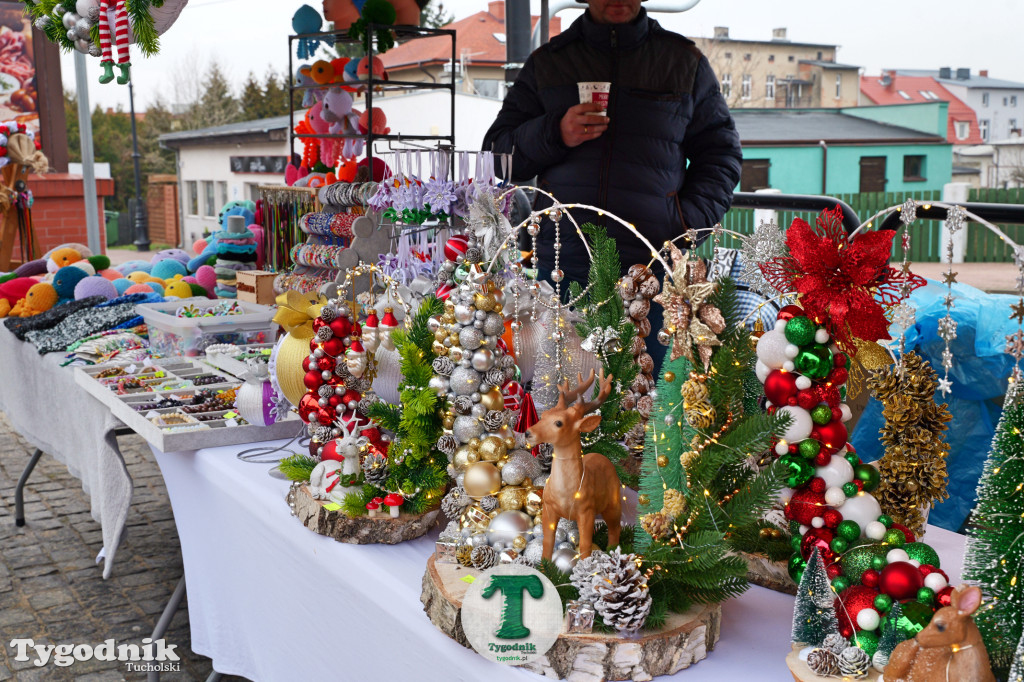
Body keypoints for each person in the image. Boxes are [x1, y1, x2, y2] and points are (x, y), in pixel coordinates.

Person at [483, 0, 742, 376]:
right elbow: (497, 153)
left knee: (647, 398)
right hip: (563, 269)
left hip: (650, 272)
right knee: (560, 395)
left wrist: (682, 226)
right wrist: (556, 131)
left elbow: (722, 156)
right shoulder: (550, 62)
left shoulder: (683, 62)